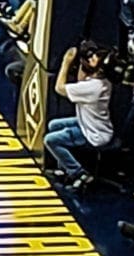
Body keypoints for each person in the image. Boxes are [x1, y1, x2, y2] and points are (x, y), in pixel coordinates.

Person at [43, 44, 114, 190]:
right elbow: (81, 80)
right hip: (90, 123)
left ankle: (78, 174)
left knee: (50, 140)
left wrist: (67, 62)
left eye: (93, 59)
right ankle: (64, 169)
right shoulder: (102, 81)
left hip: (94, 133)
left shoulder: (94, 87)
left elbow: (59, 88)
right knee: (53, 125)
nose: (90, 59)